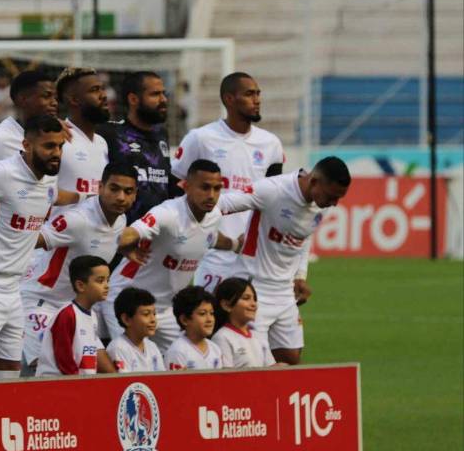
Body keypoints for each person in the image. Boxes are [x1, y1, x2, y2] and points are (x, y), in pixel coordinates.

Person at [0, 115, 74, 380]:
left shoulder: (50, 182)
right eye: (49, 146)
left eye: (60, 146)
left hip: (13, 292)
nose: (56, 154)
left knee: (9, 380)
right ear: (27, 145)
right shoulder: (1, 173)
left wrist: (90, 195)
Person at [217, 156, 352, 365]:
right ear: (314, 181)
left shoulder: (320, 204)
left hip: (285, 291)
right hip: (254, 287)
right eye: (331, 196)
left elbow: (304, 237)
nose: (334, 203)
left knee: (291, 359)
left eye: (338, 198)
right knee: (256, 362)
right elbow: (222, 204)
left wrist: (300, 275)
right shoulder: (273, 190)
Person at [100, 159, 238, 352]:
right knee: (133, 366)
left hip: (165, 311)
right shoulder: (167, 214)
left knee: (190, 361)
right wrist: (120, 245)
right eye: (205, 187)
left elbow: (211, 237)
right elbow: (131, 233)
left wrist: (236, 244)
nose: (212, 195)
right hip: (126, 301)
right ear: (186, 186)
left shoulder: (213, 215)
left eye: (217, 189)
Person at [19, 162, 138, 376]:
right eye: (114, 189)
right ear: (100, 187)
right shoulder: (77, 220)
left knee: (106, 372)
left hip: (79, 309)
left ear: (135, 194)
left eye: (128, 191)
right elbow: (29, 240)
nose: (121, 197)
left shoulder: (121, 220)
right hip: (42, 303)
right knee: (45, 373)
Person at [172, 72, 285, 292]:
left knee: (251, 323)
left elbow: (275, 200)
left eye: (258, 94)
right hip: (214, 250)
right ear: (229, 99)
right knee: (209, 320)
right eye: (249, 94)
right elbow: (173, 187)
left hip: (254, 253)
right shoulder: (201, 138)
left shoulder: (271, 144)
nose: (257, 99)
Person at [96, 71, 179, 224]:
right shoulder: (110, 134)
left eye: (163, 93)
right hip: (121, 235)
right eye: (155, 94)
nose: (164, 99)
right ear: (133, 99)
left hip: (157, 234)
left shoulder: (161, 134)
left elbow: (164, 180)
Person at [35, 256, 111, 377]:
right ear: (81, 285)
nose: (107, 286)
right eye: (100, 281)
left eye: (108, 280)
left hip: (81, 384)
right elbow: (64, 358)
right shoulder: (67, 314)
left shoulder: (93, 316)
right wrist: (78, 384)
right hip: (57, 386)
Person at [51, 66, 109, 213]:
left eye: (102, 88)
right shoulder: (56, 137)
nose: (104, 95)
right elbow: (40, 191)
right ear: (74, 100)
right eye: (95, 90)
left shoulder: (102, 142)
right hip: (61, 233)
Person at [0, 70, 58, 163]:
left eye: (55, 97)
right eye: (46, 96)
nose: (54, 103)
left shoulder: (62, 137)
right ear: (23, 99)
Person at [211, 278, 276, 369]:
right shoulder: (222, 337)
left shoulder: (259, 336)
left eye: (254, 299)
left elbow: (271, 370)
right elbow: (225, 377)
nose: (254, 304)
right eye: (246, 298)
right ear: (226, 305)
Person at [106, 287, 165, 373]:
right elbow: (125, 384)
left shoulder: (152, 346)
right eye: (146, 314)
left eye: (154, 314)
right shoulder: (118, 348)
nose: (153, 320)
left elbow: (162, 379)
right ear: (126, 319)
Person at [165, 286, 223, 371]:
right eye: (202, 314)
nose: (210, 319)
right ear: (184, 320)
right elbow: (176, 383)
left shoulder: (215, 349)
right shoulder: (177, 351)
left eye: (211, 313)